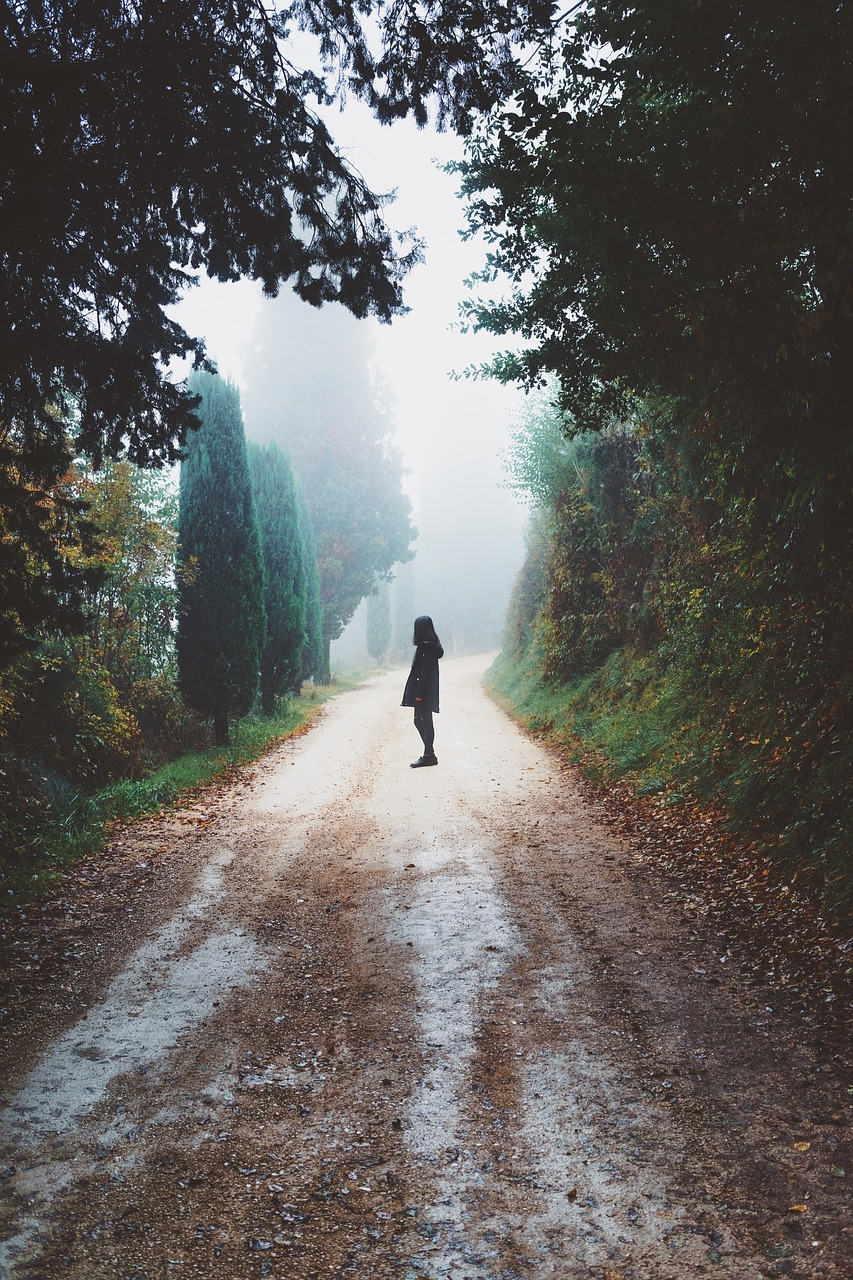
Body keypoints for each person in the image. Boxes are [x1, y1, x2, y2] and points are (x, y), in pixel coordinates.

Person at [401, 615, 444, 768]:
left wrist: (418, 695)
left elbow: (426, 673)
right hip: (422, 692)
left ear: (421, 630)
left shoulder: (428, 649)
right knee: (418, 721)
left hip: (423, 693)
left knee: (425, 722)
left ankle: (428, 756)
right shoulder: (426, 647)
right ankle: (430, 754)